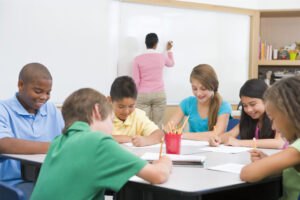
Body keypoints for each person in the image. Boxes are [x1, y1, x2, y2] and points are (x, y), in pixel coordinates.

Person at [30, 88, 172, 200]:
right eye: (111, 119)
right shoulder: (98, 141)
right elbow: (158, 175)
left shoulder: (57, 142)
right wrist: (165, 162)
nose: (111, 128)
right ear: (97, 111)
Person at [0, 63, 64, 198]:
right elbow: (4, 144)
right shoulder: (3, 109)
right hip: (10, 183)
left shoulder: (51, 110)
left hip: (46, 180)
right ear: (21, 85)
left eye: (48, 92)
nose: (44, 97)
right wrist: (55, 146)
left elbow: (70, 138)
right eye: (38, 91)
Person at [240, 76, 300, 200]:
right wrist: (269, 160)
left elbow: (248, 173)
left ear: (289, 114)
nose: (272, 127)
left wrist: (265, 164)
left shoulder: (297, 149)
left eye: (273, 119)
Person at [209, 79, 285, 149]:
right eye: (245, 105)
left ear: (266, 100)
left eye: (253, 104)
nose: (249, 110)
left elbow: (278, 143)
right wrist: (218, 139)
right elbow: (230, 134)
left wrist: (240, 143)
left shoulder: (279, 117)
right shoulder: (249, 119)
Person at [166, 64, 231, 140]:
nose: (198, 93)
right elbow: (168, 128)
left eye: (203, 89)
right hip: (192, 149)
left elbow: (217, 134)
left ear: (213, 86)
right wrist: (170, 131)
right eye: (194, 89)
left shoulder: (223, 106)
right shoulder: (187, 103)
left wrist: (182, 135)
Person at [132, 32, 174, 128]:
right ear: (156, 43)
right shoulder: (162, 57)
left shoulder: (138, 59)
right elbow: (171, 63)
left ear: (145, 44)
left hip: (143, 94)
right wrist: (169, 51)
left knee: (141, 125)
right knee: (157, 126)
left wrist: (136, 95)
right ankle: (156, 142)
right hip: (159, 94)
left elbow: (136, 80)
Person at [109, 76, 164, 147]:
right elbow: (97, 138)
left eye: (131, 106)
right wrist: (127, 138)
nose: (126, 111)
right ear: (110, 101)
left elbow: (159, 134)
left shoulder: (138, 115)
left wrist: (146, 140)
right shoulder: (104, 116)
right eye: (121, 107)